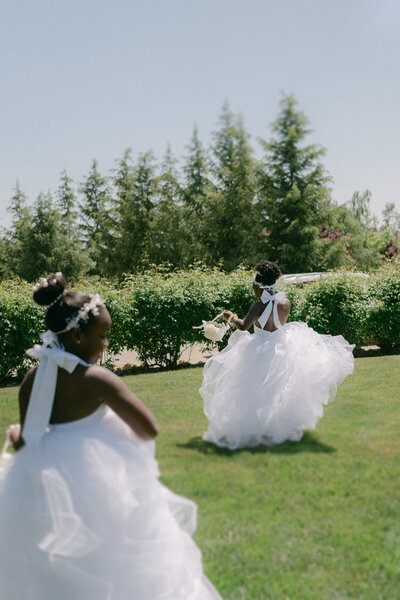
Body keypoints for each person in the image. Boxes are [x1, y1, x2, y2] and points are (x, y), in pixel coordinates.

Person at [0, 273, 222, 600]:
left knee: (52, 557)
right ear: (76, 336)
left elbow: (28, 434)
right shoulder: (96, 379)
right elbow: (148, 428)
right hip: (93, 477)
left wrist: (18, 435)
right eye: (102, 337)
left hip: (42, 478)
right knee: (112, 552)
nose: (107, 345)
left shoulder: (34, 376)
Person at [201, 261, 354, 450]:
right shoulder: (285, 302)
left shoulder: (257, 306)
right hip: (283, 346)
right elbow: (277, 323)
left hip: (259, 349)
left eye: (254, 287)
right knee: (279, 388)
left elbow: (243, 326)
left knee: (255, 390)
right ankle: (277, 425)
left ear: (259, 287)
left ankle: (258, 427)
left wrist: (230, 317)